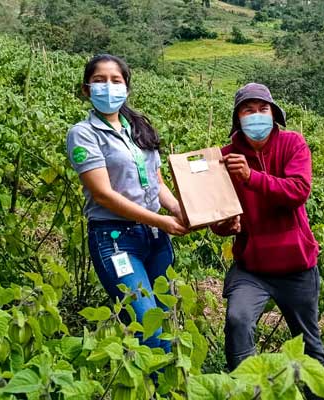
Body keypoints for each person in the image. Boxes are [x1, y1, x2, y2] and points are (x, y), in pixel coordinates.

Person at [65, 54, 188, 354]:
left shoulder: (139, 129)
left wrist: (180, 211)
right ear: (86, 89)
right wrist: (160, 220)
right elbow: (103, 195)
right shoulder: (82, 134)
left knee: (167, 319)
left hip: (156, 239)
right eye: (99, 81)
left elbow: (157, 183)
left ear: (127, 87)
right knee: (147, 324)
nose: (108, 87)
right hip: (116, 240)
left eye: (115, 80)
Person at [212, 83, 324, 377]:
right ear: (237, 118)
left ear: (274, 114)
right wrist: (225, 225)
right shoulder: (225, 157)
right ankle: (247, 389)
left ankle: (318, 394)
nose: (256, 116)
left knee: (308, 343)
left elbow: (298, 190)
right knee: (238, 320)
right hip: (252, 267)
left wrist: (252, 177)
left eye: (263, 109)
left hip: (296, 266)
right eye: (248, 110)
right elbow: (217, 217)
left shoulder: (293, 144)